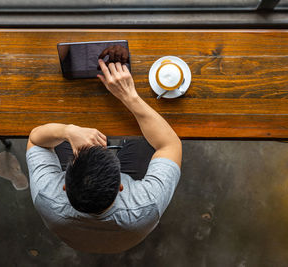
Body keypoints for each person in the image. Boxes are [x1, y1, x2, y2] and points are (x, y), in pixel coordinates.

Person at [26, 59, 182, 254]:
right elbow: (170, 144)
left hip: (77, 237)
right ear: (121, 186)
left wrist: (68, 131)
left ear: (65, 186)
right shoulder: (146, 204)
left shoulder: (46, 196)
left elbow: (35, 140)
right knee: (145, 137)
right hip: (126, 233)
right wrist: (129, 97)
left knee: (59, 127)